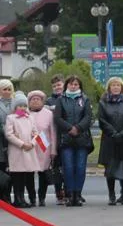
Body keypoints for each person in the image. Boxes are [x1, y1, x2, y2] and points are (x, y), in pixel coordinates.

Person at [53, 75, 93, 207]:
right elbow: (57, 118)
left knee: (80, 167)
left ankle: (77, 194)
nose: (73, 86)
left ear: (79, 86)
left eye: (76, 84)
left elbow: (88, 117)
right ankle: (69, 195)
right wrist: (70, 128)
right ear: (67, 85)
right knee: (68, 167)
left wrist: (78, 128)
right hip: (66, 138)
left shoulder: (85, 99)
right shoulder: (60, 100)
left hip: (82, 138)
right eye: (71, 84)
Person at [97, 76, 123, 206]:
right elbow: (102, 120)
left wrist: (122, 133)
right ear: (109, 88)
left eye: (118, 85)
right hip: (110, 140)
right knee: (110, 168)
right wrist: (114, 133)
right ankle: (112, 195)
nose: (115, 87)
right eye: (113, 85)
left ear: (122, 88)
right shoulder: (103, 102)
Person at [4, 92, 44, 208]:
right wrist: (22, 144)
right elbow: (9, 134)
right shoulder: (11, 118)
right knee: (17, 176)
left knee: (26, 175)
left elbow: (36, 133)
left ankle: (23, 198)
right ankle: (18, 198)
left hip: (28, 150)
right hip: (17, 151)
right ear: (15, 107)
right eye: (20, 106)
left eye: (24, 106)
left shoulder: (29, 118)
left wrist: (32, 143)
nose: (22, 108)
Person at [26, 91, 56, 206]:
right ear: (29, 101)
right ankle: (32, 197)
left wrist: (54, 150)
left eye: (38, 99)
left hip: (44, 145)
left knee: (43, 173)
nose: (35, 101)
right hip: (29, 145)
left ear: (42, 101)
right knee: (28, 173)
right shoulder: (24, 112)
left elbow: (53, 132)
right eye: (33, 99)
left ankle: (42, 197)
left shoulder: (49, 113)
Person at [44, 75, 65, 205]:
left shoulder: (69, 99)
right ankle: (59, 193)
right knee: (56, 167)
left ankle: (71, 191)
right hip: (53, 138)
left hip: (67, 136)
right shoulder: (49, 101)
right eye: (55, 86)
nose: (57, 87)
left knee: (68, 167)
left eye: (59, 85)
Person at [0, 79, 12, 204]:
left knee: (12, 170)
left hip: (14, 140)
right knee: (2, 167)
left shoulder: (16, 103)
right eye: (4, 89)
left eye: (9, 89)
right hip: (1, 139)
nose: (7, 92)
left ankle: (8, 195)